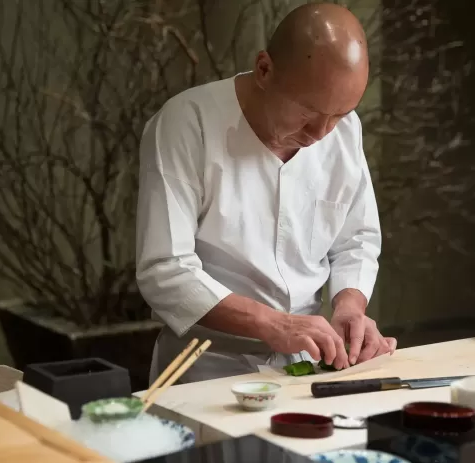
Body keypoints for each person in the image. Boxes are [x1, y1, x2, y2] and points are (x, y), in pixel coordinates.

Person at [136, 2, 396, 384]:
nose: (322, 133)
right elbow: (165, 269)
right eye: (308, 112)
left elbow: (356, 239)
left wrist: (349, 308)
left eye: (339, 114)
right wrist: (272, 323)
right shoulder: (188, 123)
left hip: (307, 366)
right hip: (206, 364)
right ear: (264, 69)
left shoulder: (344, 131)